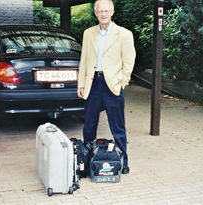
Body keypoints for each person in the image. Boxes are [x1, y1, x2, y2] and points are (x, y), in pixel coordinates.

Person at [77, 0, 136, 174]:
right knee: (89, 125)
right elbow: (84, 60)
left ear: (112, 12)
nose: (103, 14)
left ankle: (123, 162)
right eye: (100, 11)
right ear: (95, 13)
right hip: (92, 83)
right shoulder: (88, 33)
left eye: (106, 11)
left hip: (112, 85)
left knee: (117, 126)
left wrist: (122, 81)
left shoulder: (124, 34)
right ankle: (88, 162)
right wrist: (81, 83)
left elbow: (129, 61)